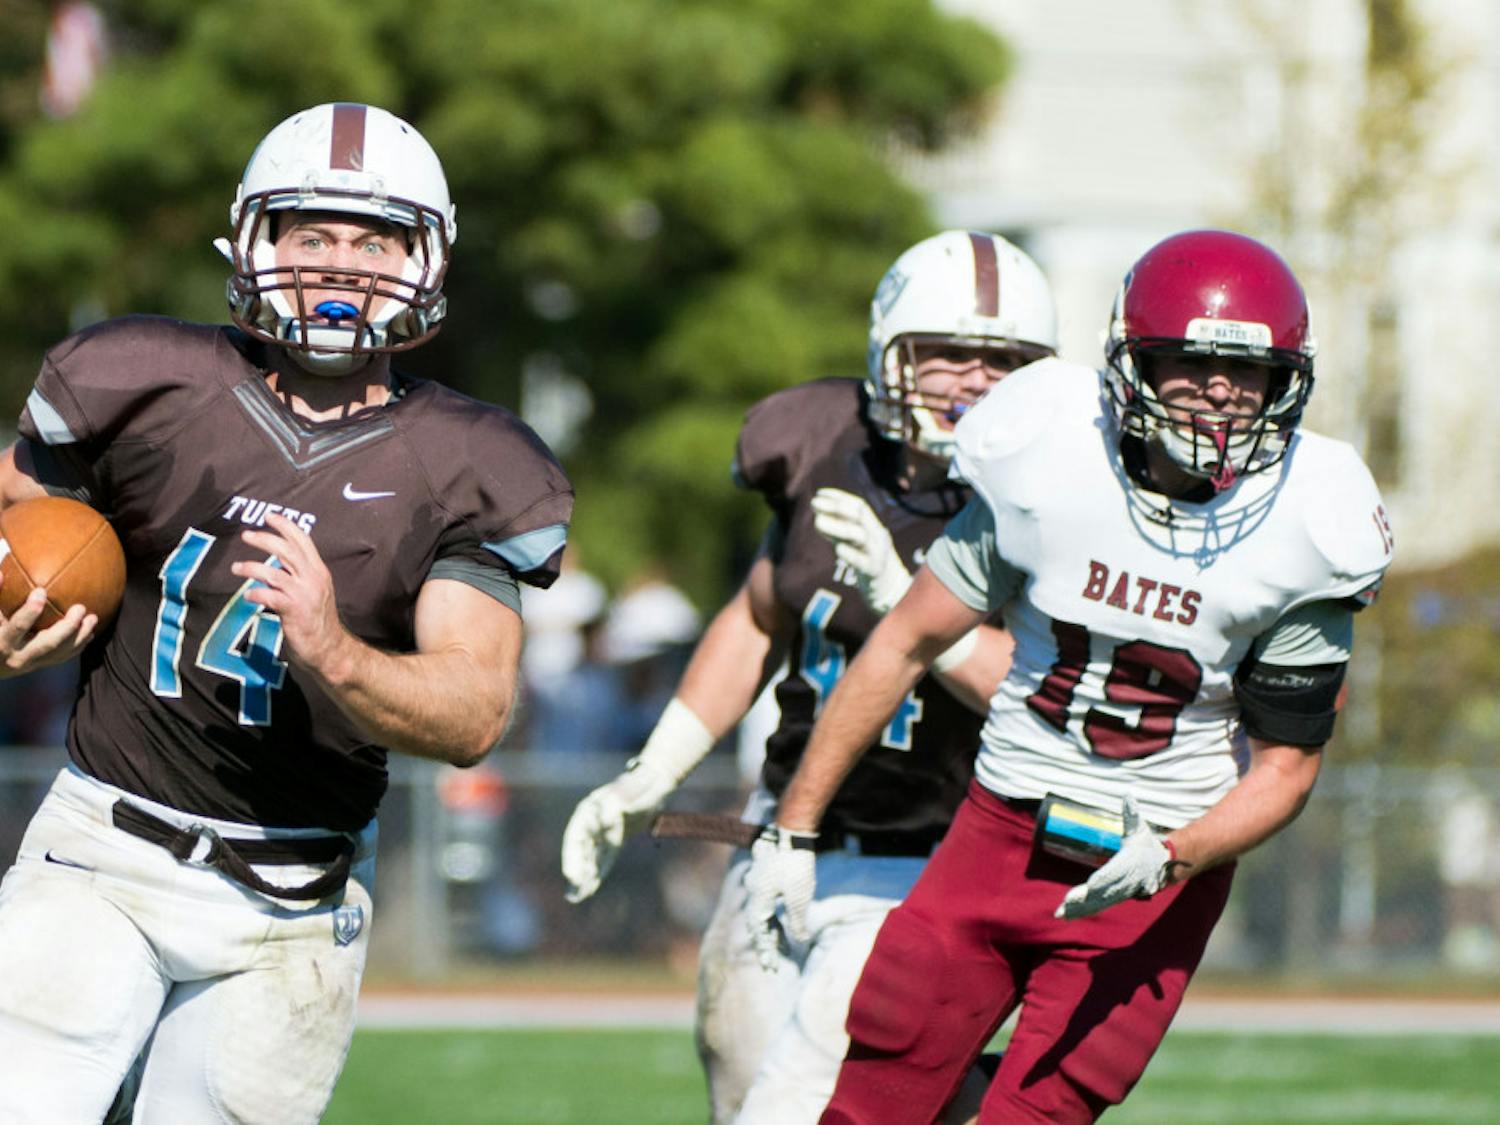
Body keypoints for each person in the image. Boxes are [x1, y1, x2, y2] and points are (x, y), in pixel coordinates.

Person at [0, 102, 572, 1124]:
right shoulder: (142, 380)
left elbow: (475, 710)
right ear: (257, 242)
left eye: (375, 239)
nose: (341, 266)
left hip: (291, 908)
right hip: (100, 854)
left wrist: (334, 652)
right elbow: (16, 515)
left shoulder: (474, 462)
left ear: (426, 262)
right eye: (314, 234)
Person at [746, 228, 1395, 1123]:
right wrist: (793, 827)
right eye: (1192, 361)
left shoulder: (1310, 522)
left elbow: (1286, 768)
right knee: (873, 1090)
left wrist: (1173, 856)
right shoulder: (1051, 452)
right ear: (1131, 364)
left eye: (1247, 374)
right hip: (997, 828)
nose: (1219, 390)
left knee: (1038, 1112)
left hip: (1155, 864)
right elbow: (902, 641)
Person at [561, 230, 1058, 1123]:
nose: (975, 379)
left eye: (1003, 359)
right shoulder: (818, 442)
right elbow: (759, 615)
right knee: (739, 1088)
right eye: (947, 352)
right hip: (778, 837)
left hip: (927, 861)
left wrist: (916, 611)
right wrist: (657, 769)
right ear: (889, 350)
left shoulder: (1042, 501)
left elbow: (1035, 687)